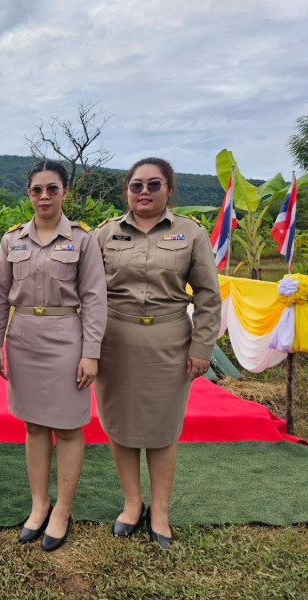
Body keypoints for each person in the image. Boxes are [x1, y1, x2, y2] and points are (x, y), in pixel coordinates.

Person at [93, 157, 221, 549]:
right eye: (136, 185)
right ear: (127, 191)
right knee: (120, 425)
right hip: (115, 342)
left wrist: (202, 346)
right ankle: (133, 504)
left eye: (154, 184)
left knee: (163, 430)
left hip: (169, 342)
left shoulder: (190, 232)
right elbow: (88, 292)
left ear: (169, 189)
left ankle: (160, 511)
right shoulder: (105, 233)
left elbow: (208, 295)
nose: (144, 192)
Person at [0, 160, 107, 552]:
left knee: (69, 426)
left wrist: (91, 352)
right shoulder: (12, 239)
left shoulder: (82, 239)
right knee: (35, 425)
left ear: (64, 192)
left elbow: (94, 298)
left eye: (52, 188)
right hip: (23, 336)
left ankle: (62, 509)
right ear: (29, 194)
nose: (44, 196)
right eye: (37, 189)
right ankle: (39, 504)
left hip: (66, 335)